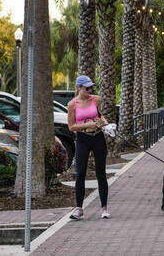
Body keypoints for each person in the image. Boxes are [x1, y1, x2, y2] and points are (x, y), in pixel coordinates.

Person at [67, 75, 109, 220]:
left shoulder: (96, 99)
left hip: (98, 137)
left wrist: (106, 124)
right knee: (80, 174)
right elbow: (71, 126)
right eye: (87, 88)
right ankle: (79, 208)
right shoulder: (72, 104)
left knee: (101, 172)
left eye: (91, 87)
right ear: (79, 88)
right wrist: (88, 125)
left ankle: (104, 208)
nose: (90, 90)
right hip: (83, 139)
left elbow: (100, 116)